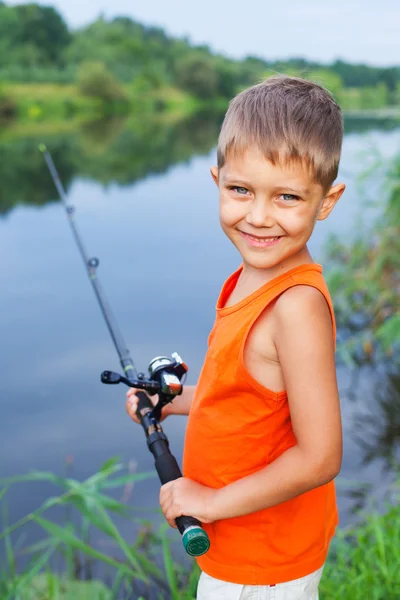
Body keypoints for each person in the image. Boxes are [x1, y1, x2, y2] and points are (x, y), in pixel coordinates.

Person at [126, 75, 345, 599]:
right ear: (216, 179)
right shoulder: (251, 274)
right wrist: (176, 400)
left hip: (265, 559)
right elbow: (248, 400)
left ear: (326, 202)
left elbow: (320, 456)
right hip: (241, 545)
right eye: (240, 189)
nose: (259, 216)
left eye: (287, 197)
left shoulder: (295, 307)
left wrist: (209, 502)